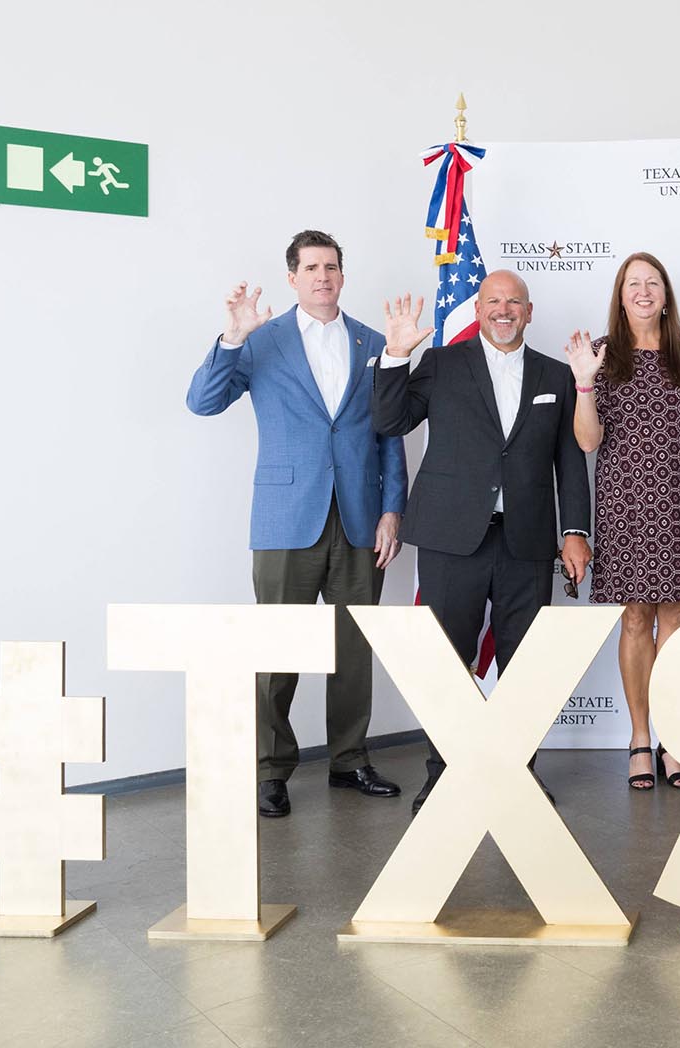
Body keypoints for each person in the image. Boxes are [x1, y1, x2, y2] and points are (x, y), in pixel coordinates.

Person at [186, 229, 406, 818]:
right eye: (310, 268)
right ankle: (270, 769)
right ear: (292, 277)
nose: (322, 276)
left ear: (342, 273)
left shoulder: (373, 342)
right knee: (276, 649)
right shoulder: (263, 340)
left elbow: (388, 434)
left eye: (331, 266)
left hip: (360, 518)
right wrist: (232, 336)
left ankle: (349, 760)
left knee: (353, 648)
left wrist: (393, 510)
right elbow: (203, 402)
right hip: (286, 518)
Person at [372, 270, 592, 814]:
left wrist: (575, 532)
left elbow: (570, 460)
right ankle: (442, 774)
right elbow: (390, 419)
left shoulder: (557, 375)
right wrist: (395, 357)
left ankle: (520, 773)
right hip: (451, 538)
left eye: (513, 302)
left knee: (526, 666)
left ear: (529, 311)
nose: (503, 310)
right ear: (479, 307)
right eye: (493, 301)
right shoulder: (443, 363)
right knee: (447, 662)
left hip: (527, 541)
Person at [564, 253, 680, 790]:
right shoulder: (601, 358)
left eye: (653, 282)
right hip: (625, 506)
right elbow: (587, 440)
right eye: (634, 283)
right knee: (636, 619)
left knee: (676, 619)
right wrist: (584, 384)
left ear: (666, 294)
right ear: (620, 294)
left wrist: (671, 458)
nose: (644, 290)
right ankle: (638, 738)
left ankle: (673, 740)